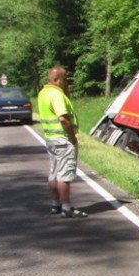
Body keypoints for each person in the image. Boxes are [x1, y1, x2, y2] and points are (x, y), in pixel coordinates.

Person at [37, 66, 87, 218]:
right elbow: (63, 119)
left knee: (54, 172)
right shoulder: (56, 95)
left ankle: (56, 204)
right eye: (64, 80)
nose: (66, 82)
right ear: (55, 80)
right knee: (64, 174)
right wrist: (72, 137)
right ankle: (66, 207)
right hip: (63, 139)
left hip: (51, 138)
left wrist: (65, 89)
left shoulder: (43, 92)